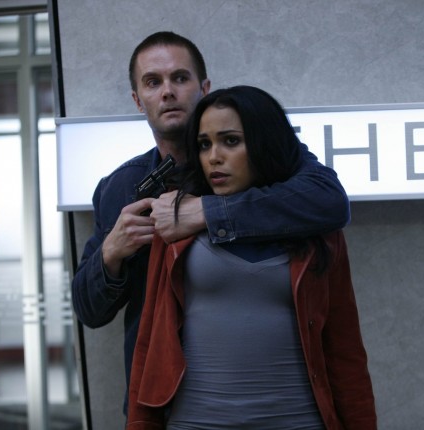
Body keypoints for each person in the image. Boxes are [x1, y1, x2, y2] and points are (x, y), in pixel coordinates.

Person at [70, 32, 351, 412]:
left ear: (204, 88)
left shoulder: (265, 160)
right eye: (153, 82)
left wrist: (206, 211)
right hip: (167, 404)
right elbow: (89, 311)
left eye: (180, 78)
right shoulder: (120, 187)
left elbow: (329, 200)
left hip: (280, 396)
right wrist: (111, 254)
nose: (168, 92)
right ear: (138, 100)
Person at [127, 86, 377, 429]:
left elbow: (344, 351)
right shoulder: (177, 221)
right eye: (204, 144)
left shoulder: (316, 228)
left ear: (263, 144)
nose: (214, 157)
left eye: (231, 141)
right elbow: (149, 345)